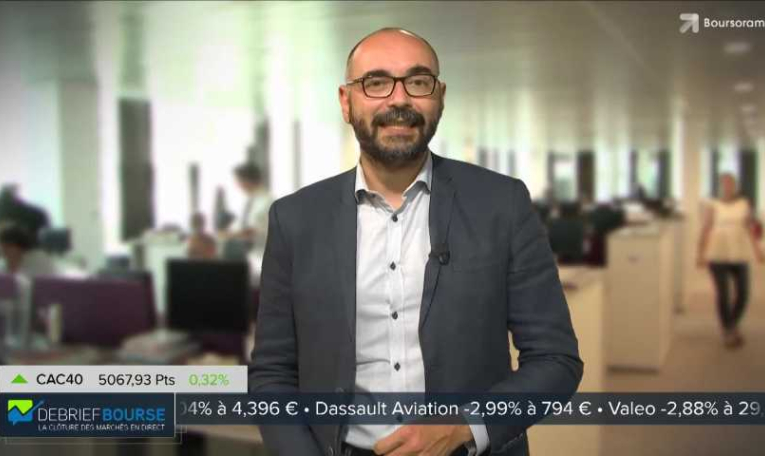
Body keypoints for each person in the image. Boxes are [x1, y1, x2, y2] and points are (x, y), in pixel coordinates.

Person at [249, 28, 582, 456]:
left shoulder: (503, 203)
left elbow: (556, 359)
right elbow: (271, 374)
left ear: (439, 97)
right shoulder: (295, 219)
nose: (399, 99)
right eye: (376, 82)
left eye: (418, 81)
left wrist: (467, 426)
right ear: (346, 101)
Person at [697, 173, 765, 348]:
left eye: (731, 183)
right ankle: (728, 330)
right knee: (724, 293)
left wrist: (758, 250)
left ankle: (732, 323)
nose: (727, 187)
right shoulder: (713, 204)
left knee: (743, 293)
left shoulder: (744, 204)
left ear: (735, 186)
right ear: (720, 186)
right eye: (724, 184)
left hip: (739, 251)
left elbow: (750, 228)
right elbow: (706, 228)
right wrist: (700, 253)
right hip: (717, 251)